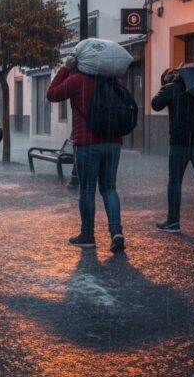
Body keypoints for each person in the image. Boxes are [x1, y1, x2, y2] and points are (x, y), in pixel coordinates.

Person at [46, 56, 126, 253]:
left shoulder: (77, 80)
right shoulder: (114, 81)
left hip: (87, 143)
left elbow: (52, 94)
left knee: (88, 189)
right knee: (109, 188)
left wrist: (65, 68)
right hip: (113, 142)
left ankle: (87, 234)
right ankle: (116, 232)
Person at [151, 68, 194, 240]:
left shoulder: (172, 88)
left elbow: (155, 104)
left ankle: (173, 222)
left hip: (180, 142)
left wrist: (165, 85)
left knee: (175, 180)